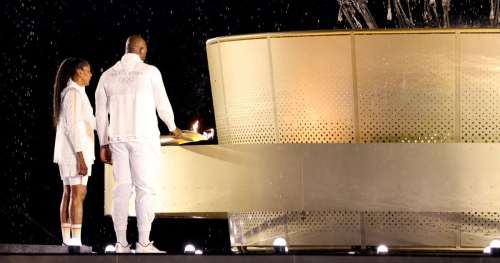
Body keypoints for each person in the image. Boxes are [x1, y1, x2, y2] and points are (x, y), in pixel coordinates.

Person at [95, 35, 181, 253]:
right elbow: (163, 103)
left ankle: (121, 243)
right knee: (145, 190)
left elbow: (100, 115)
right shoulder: (150, 72)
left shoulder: (107, 75)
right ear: (141, 50)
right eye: (146, 50)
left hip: (117, 139)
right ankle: (143, 242)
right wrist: (173, 127)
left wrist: (103, 143)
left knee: (121, 190)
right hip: (143, 138)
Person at [53, 57, 94, 246]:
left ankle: (69, 240)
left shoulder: (77, 93)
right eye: (88, 71)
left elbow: (87, 123)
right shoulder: (73, 93)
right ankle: (74, 241)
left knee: (71, 193)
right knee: (75, 193)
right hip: (75, 153)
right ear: (79, 71)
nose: (90, 75)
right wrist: (81, 157)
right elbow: (73, 127)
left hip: (73, 152)